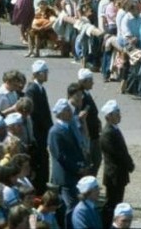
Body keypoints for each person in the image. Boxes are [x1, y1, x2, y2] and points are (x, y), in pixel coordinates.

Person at [48, 98, 89, 215]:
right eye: (67, 110)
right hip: (65, 177)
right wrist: (77, 169)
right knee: (69, 208)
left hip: (75, 174)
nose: (70, 112)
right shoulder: (55, 132)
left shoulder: (69, 127)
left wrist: (83, 164)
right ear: (60, 113)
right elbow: (60, 156)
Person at [99, 100, 134, 229]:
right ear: (109, 116)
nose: (119, 116)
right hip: (114, 174)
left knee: (117, 201)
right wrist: (129, 164)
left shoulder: (114, 129)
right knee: (112, 203)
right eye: (116, 113)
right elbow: (117, 154)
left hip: (119, 173)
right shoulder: (108, 132)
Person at [24, 59, 52, 195]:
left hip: (44, 132)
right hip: (38, 133)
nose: (46, 75)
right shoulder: (32, 90)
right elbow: (36, 114)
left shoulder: (41, 89)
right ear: (37, 74)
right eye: (44, 72)